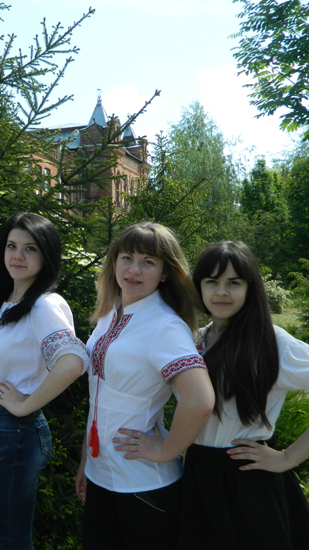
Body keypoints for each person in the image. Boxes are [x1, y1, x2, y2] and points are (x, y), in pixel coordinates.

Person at [178, 240, 309, 549]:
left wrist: (288, 458)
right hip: (196, 477)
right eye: (212, 282)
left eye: (234, 283)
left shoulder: (273, 343)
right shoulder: (194, 341)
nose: (221, 292)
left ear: (250, 287)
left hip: (246, 482)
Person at [76, 221, 214, 550]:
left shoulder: (165, 325)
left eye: (148, 262)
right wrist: (86, 462)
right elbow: (100, 398)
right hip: (100, 474)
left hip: (144, 483)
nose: (134, 269)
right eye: (127, 258)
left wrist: (165, 450)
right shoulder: (109, 313)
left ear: (165, 273)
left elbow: (200, 400)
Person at [0, 211, 88, 550]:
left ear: (46, 255)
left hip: (15, 431)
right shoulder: (1, 303)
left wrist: (23, 405)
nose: (18, 256)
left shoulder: (44, 306)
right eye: (12, 246)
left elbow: (72, 361)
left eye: (30, 248)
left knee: (12, 541)